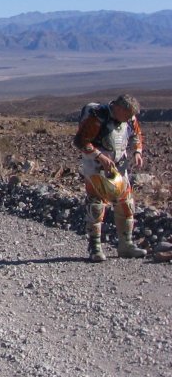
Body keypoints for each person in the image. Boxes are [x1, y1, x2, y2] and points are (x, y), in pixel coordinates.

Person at [73, 94, 147, 262]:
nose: (129, 118)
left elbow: (136, 134)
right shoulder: (98, 117)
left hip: (119, 166)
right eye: (127, 114)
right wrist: (99, 156)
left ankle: (126, 244)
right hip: (97, 167)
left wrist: (137, 151)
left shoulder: (129, 119)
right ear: (119, 108)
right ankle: (95, 247)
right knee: (96, 206)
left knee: (126, 204)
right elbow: (81, 141)